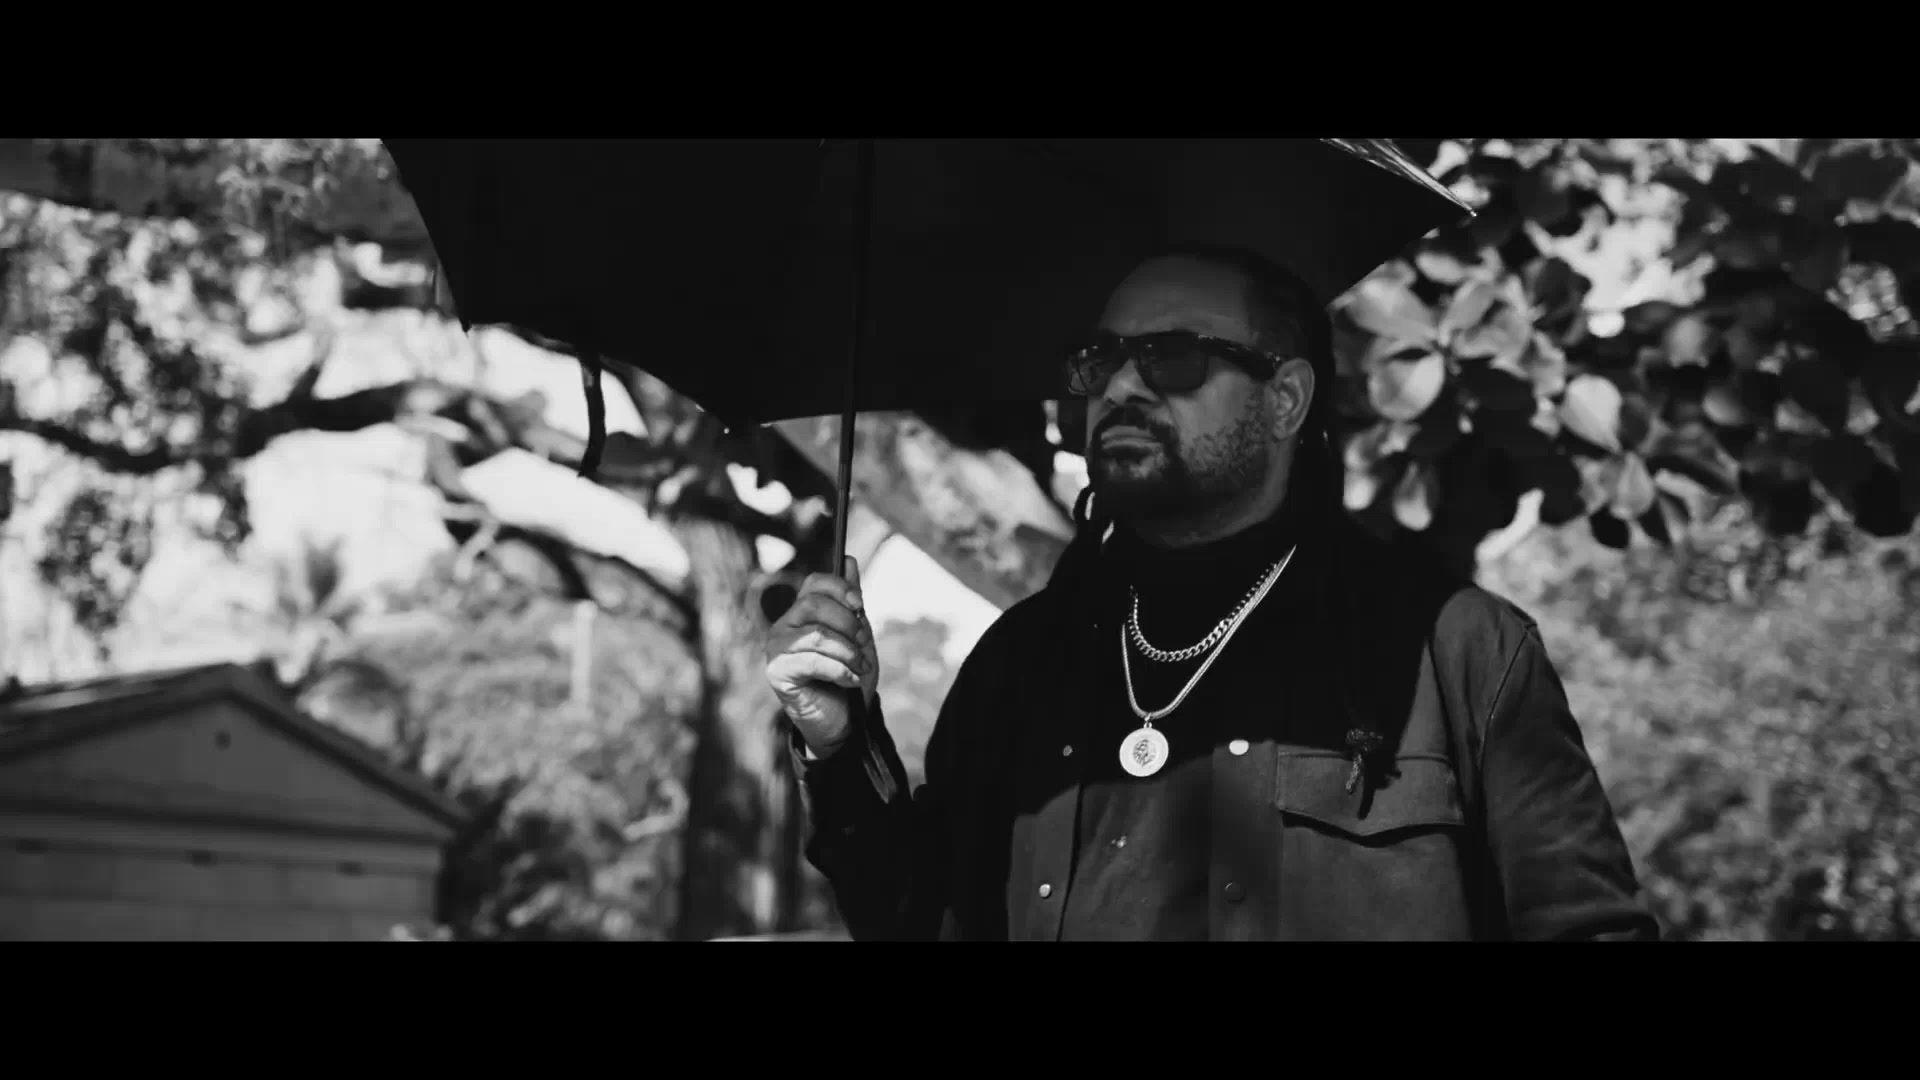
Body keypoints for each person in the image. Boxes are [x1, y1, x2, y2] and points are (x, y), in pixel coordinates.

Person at [763, 246, 1661, 941]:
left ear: (1286, 400)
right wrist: (839, 744)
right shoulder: (1022, 663)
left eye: (1173, 358)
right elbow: (918, 919)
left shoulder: (1453, 649)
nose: (1121, 385)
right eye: (1101, 360)